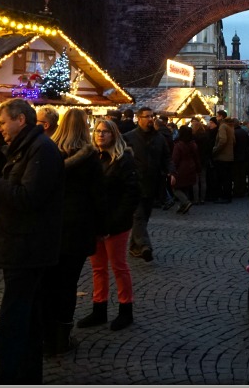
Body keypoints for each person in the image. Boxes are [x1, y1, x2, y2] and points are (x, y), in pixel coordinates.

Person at [0, 98, 65, 384]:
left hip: (29, 247)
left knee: (14, 320)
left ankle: (10, 377)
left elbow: (29, 198)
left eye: (3, 122)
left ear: (20, 120)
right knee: (28, 318)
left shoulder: (41, 150)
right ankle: (26, 376)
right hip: (21, 243)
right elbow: (17, 193)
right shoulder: (25, 149)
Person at [40, 108, 103, 356]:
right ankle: (61, 337)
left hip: (50, 225)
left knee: (48, 282)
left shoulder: (49, 153)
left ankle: (46, 336)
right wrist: (101, 228)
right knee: (68, 284)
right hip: (77, 228)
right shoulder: (90, 158)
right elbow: (98, 195)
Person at [78, 117, 140, 331]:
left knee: (119, 266)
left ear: (114, 134)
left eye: (105, 131)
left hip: (116, 223)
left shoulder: (124, 159)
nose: (100, 134)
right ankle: (99, 308)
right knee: (98, 268)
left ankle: (126, 309)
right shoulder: (91, 157)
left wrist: (115, 222)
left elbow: (131, 194)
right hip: (95, 223)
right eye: (97, 131)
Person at [122, 107, 172, 262]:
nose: (151, 119)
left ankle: (134, 247)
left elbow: (166, 157)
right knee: (138, 216)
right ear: (139, 118)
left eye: (152, 116)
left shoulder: (159, 138)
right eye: (147, 116)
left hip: (152, 183)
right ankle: (145, 246)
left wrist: (170, 172)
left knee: (145, 216)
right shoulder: (128, 137)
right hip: (133, 184)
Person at [170, 124, 200, 214]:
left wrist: (172, 170)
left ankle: (185, 202)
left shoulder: (178, 145)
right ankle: (183, 206)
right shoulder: (193, 144)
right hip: (191, 167)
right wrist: (198, 168)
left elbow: (175, 159)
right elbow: (197, 157)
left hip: (181, 168)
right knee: (185, 186)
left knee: (175, 188)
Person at [211, 113, 235, 203]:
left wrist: (215, 150)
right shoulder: (230, 127)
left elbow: (222, 140)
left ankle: (224, 197)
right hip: (229, 156)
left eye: (217, 116)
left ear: (221, 117)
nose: (216, 118)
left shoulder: (222, 127)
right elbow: (233, 141)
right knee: (228, 178)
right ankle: (227, 196)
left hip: (222, 157)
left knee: (222, 178)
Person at [191, 118, 212, 203]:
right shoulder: (206, 136)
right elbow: (209, 149)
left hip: (195, 160)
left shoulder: (193, 137)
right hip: (204, 160)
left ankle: (196, 199)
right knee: (203, 180)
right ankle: (202, 198)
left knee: (195, 181)